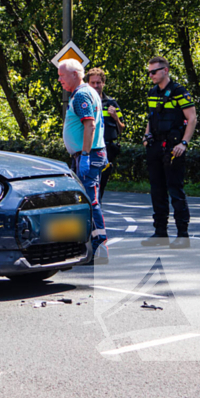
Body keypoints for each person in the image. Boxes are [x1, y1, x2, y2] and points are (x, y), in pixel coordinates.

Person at [141, 56, 197, 249]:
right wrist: (146, 136)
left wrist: (184, 143)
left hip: (174, 148)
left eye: (153, 72)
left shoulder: (180, 92)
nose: (151, 75)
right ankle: (160, 233)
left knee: (175, 191)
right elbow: (151, 116)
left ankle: (183, 234)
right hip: (155, 147)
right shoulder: (152, 92)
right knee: (157, 191)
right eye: (149, 72)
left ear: (165, 70)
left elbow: (192, 118)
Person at [57, 59, 108, 263]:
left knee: (90, 200)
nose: (59, 79)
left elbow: (90, 125)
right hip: (90, 154)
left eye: (62, 75)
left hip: (88, 154)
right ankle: (90, 246)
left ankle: (99, 248)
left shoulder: (81, 95)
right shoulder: (88, 92)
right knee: (86, 200)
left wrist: (85, 155)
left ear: (75, 74)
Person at [86, 67, 124, 202]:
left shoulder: (111, 103)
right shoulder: (84, 102)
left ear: (103, 83)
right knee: (90, 186)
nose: (96, 86)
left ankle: (97, 212)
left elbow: (122, 128)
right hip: (89, 149)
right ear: (88, 84)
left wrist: (116, 117)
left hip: (107, 149)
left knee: (100, 186)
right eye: (93, 83)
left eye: (98, 82)